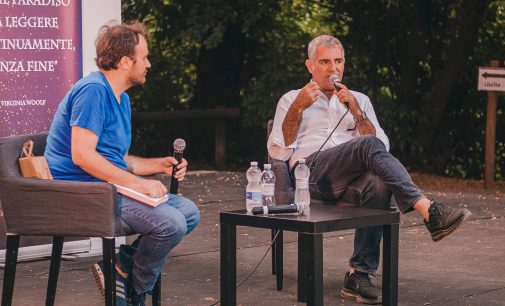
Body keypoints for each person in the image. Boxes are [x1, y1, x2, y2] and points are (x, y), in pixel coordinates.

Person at [267, 34, 471, 304]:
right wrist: (299, 108)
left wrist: (356, 113)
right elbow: (278, 151)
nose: (333, 68)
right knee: (366, 146)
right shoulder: (291, 99)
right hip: (311, 175)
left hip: (350, 181)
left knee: (379, 182)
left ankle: (358, 274)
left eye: (338, 61)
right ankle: (428, 210)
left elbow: (380, 147)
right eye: (325, 62)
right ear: (310, 65)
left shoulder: (358, 99)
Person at [44, 21, 200, 306]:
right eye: (144, 57)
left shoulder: (121, 99)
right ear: (126, 61)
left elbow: (114, 159)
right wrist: (138, 184)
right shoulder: (93, 91)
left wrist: (156, 165)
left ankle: (120, 269)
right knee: (171, 223)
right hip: (83, 194)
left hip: (107, 188)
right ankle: (135, 293)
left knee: (188, 211)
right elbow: (83, 156)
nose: (149, 64)